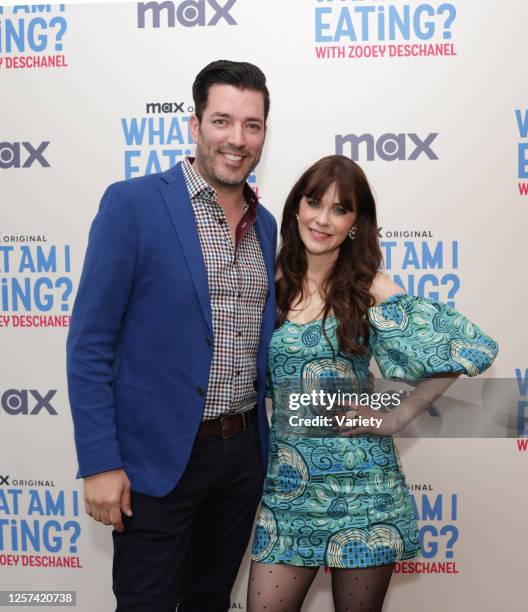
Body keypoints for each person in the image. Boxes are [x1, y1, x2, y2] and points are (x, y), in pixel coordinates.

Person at [66, 60, 277, 612]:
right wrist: (99, 462)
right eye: (222, 121)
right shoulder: (132, 204)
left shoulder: (269, 226)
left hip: (242, 460)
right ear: (195, 124)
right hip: (154, 465)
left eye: (252, 125)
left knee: (209, 601)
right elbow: (90, 344)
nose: (237, 138)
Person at [247, 155, 498, 611]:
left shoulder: (371, 287)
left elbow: (468, 347)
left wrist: (398, 416)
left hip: (364, 490)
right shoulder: (270, 281)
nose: (322, 219)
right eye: (314, 202)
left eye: (339, 209)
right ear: (296, 208)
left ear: (356, 224)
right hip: (286, 489)